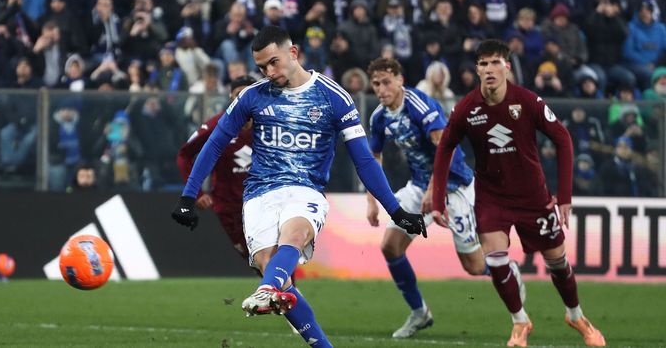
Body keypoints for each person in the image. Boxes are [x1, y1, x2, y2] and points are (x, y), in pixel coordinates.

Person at [171, 26, 425, 348]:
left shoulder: (334, 97)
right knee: (272, 268)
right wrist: (188, 196)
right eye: (262, 67)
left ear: (293, 53)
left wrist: (396, 210)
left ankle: (267, 290)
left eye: (274, 63)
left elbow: (364, 161)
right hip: (259, 194)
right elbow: (214, 144)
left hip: (305, 190)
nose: (269, 72)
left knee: (293, 237)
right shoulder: (252, 96)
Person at [430, 39, 606, 347]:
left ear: (507, 66)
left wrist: (564, 196)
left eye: (495, 62)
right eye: (483, 64)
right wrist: (438, 197)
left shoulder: (527, 101)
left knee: (558, 263)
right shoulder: (467, 108)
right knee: (496, 262)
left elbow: (563, 138)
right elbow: (445, 147)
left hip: (533, 197)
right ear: (477, 70)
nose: (489, 69)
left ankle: (576, 315)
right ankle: (520, 322)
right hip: (492, 198)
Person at [365, 57, 517, 339]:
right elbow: (373, 158)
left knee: (473, 266)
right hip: (420, 185)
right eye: (376, 84)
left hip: (454, 186)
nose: (381, 89)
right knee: (390, 247)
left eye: (386, 82)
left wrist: (434, 191)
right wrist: (371, 200)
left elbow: (444, 148)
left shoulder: (420, 106)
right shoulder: (379, 117)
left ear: (400, 80)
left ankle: (505, 268)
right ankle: (420, 313)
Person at [176, 76, 256, 258]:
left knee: (274, 255)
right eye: (238, 95)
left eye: (248, 95)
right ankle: (279, 286)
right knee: (256, 260)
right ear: (230, 97)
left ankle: (282, 287)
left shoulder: (270, 125)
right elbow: (184, 155)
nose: (242, 100)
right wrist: (196, 193)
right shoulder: (216, 126)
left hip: (264, 203)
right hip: (230, 208)